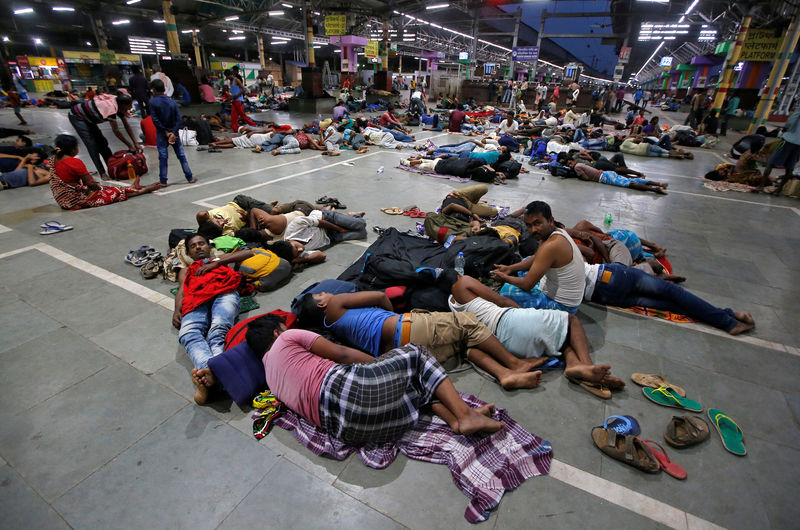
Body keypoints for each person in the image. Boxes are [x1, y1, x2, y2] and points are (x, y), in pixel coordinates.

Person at [233, 316, 504, 442]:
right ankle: (465, 414)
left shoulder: (271, 378)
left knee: (410, 384)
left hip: (349, 430)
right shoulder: (288, 338)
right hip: (347, 392)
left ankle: (457, 420)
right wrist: (381, 367)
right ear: (276, 333)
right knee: (417, 355)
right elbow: (343, 354)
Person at [295, 291, 544, 390]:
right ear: (322, 304)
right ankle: (514, 363)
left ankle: (503, 374)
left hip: (403, 350)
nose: (326, 292)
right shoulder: (336, 304)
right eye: (320, 294)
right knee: (468, 322)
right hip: (405, 328)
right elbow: (380, 296)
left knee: (462, 342)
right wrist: (394, 316)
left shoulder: (334, 328)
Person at [449, 275, 624, 395]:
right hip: (509, 320)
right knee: (570, 321)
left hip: (502, 345)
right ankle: (586, 365)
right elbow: (502, 301)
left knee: (562, 338)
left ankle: (573, 366)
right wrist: (527, 314)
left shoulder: (450, 307)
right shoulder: (462, 282)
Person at [172, 233, 250, 404]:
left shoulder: (219, 258)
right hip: (196, 299)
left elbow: (248, 253)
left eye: (201, 243)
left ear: (209, 247)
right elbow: (181, 290)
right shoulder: (186, 269)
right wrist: (177, 309)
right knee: (188, 333)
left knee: (218, 330)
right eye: (193, 246)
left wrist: (217, 263)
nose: (198, 247)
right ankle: (214, 373)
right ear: (189, 253)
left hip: (224, 293)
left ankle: (209, 376)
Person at [489, 201, 593, 312]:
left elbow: (527, 284)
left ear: (550, 220)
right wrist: (510, 268)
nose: (533, 230)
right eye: (529, 225)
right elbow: (535, 257)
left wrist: (505, 278)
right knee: (525, 262)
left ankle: (529, 317)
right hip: (567, 296)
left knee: (506, 290)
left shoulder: (551, 245)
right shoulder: (555, 232)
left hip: (563, 307)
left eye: (537, 223)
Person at [50, 134, 160, 210]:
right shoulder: (74, 162)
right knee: (110, 194)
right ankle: (142, 191)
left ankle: (130, 188)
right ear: (74, 149)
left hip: (62, 199)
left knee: (107, 189)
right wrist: (101, 189)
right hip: (74, 200)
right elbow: (92, 185)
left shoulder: (53, 159)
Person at [67, 93, 142, 180]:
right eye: (128, 106)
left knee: (103, 143)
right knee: (92, 145)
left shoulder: (120, 107)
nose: (130, 109)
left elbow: (127, 126)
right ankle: (102, 173)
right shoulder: (111, 108)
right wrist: (130, 145)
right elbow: (116, 131)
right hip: (77, 116)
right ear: (122, 105)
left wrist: (135, 143)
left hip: (90, 119)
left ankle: (112, 167)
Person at [149, 79, 196, 187]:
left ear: (154, 90)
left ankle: (163, 180)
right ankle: (189, 177)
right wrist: (173, 133)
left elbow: (155, 120)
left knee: (163, 156)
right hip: (174, 132)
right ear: (164, 89)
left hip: (162, 133)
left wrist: (165, 132)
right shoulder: (172, 102)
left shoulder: (152, 102)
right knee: (181, 155)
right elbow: (179, 119)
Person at [567, 160, 668, 194]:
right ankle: (658, 184)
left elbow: (586, 178)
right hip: (607, 173)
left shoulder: (577, 167)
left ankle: (655, 190)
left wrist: (579, 176)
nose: (571, 165)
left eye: (570, 163)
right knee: (630, 179)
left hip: (604, 178)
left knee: (630, 184)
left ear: (572, 161)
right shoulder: (579, 163)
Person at [762, 107, 800, 194]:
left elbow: (792, 120)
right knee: (790, 167)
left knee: (771, 163)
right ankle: (778, 190)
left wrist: (786, 128)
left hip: (788, 140)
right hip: (798, 145)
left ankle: (761, 185)